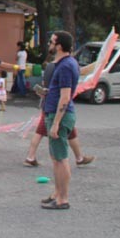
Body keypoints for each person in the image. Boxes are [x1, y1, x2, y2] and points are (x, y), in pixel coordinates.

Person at [24, 57, 95, 167]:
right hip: (55, 107)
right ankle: (31, 157)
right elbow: (81, 72)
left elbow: (45, 84)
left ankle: (79, 158)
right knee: (41, 131)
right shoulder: (62, 67)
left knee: (70, 132)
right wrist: (98, 63)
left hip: (49, 104)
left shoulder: (49, 66)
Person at [40, 30, 80, 210]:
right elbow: (60, 92)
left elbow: (65, 97)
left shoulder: (65, 66)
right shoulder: (66, 63)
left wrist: (56, 122)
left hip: (60, 116)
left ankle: (63, 199)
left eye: (52, 41)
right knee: (56, 157)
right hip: (55, 113)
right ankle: (57, 193)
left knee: (61, 158)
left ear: (59, 46)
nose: (50, 44)